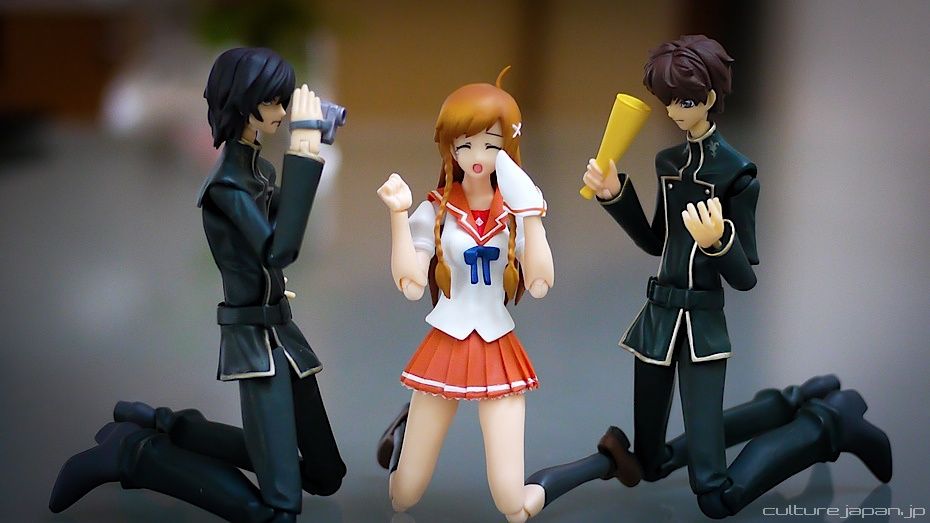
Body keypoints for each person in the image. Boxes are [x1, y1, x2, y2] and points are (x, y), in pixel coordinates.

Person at [522, 35, 892, 519]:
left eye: (685, 101)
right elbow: (656, 240)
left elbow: (745, 278)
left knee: (717, 495)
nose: (674, 111)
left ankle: (830, 423)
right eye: (668, 100)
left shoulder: (737, 173)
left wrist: (719, 242)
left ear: (710, 98)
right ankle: (794, 401)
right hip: (657, 323)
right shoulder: (668, 163)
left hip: (701, 327)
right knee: (652, 462)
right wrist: (616, 194)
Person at [48, 47, 345, 523]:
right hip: (255, 346)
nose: (281, 112)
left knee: (326, 475)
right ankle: (134, 454)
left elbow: (282, 232)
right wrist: (306, 148)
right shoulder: (226, 186)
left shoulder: (261, 172)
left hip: (284, 336)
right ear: (242, 104)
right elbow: (280, 250)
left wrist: (310, 147)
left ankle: (165, 425)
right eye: (272, 101)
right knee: (279, 513)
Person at [375, 68, 554, 523]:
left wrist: (532, 215)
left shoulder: (515, 211)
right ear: (450, 145)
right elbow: (411, 285)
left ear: (508, 148)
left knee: (512, 504)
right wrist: (398, 215)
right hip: (446, 342)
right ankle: (405, 440)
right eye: (466, 144)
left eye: (491, 145)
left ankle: (556, 483)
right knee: (403, 496)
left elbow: (539, 283)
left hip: (497, 344)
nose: (477, 157)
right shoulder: (435, 209)